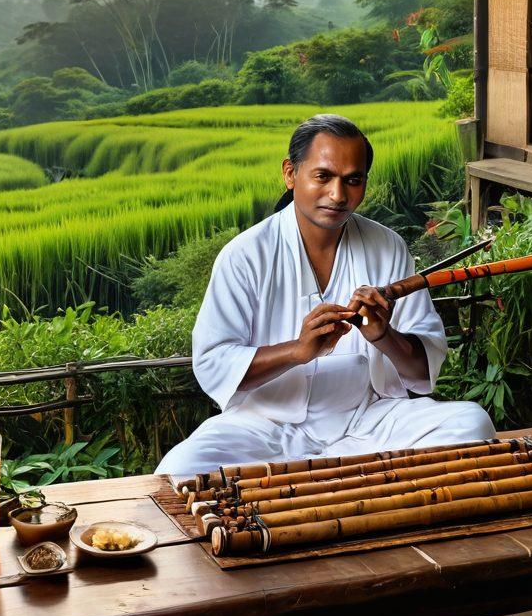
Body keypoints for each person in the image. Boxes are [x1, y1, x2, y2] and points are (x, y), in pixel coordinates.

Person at [155, 113, 495, 480]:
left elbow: (420, 371)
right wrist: (298, 351)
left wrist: (384, 336)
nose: (338, 195)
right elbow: (213, 364)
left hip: (369, 423)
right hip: (265, 429)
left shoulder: (387, 246)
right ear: (290, 174)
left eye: (353, 180)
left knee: (471, 424)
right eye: (323, 176)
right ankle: (365, 488)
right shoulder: (245, 255)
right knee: (179, 471)